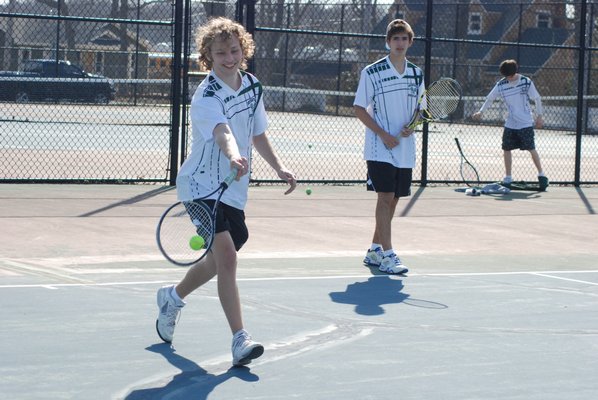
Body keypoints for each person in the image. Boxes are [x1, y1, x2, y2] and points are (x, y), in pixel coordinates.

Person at [155, 17, 297, 367]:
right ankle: (240, 339)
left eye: (234, 50)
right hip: (200, 187)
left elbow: (257, 133)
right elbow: (223, 132)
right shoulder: (206, 95)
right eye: (221, 53)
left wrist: (278, 167)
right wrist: (234, 154)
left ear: (243, 50)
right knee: (228, 258)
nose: (229, 57)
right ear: (208, 55)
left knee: (220, 260)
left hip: (232, 189)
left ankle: (172, 297)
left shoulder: (251, 86)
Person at [353, 19, 424, 275]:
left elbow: (421, 109)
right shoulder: (371, 72)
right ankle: (388, 255)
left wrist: (412, 125)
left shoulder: (416, 73)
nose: (400, 43)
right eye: (395, 39)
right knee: (384, 197)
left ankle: (374, 250)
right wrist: (383, 134)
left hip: (405, 148)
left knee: (393, 200)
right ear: (388, 42)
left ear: (410, 42)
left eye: (404, 38)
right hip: (379, 147)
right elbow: (359, 109)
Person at [472, 59, 548, 190]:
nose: (509, 78)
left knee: (531, 148)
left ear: (515, 72)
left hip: (525, 122)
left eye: (511, 76)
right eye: (506, 76)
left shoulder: (525, 82)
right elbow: (490, 98)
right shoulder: (501, 84)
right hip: (511, 123)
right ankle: (508, 177)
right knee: (506, 148)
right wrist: (481, 111)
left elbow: (537, 98)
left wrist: (539, 116)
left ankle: (542, 175)